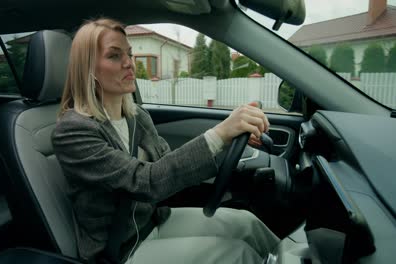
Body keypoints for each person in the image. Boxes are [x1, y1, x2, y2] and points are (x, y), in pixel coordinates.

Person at [52, 18, 279, 264]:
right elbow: (146, 182)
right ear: (88, 68)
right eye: (115, 56)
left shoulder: (135, 116)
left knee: (248, 224)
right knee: (239, 254)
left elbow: (168, 168)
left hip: (151, 221)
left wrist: (229, 141)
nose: (129, 63)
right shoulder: (72, 132)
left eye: (128, 54)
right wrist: (220, 133)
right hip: (119, 249)